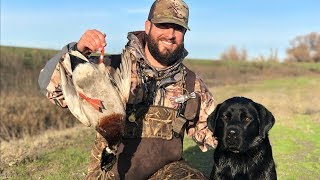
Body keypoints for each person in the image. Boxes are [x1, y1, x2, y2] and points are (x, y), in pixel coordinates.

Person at [38, 0, 217, 179]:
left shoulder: (192, 85)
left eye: (178, 28)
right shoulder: (110, 69)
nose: (171, 34)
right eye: (163, 25)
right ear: (148, 26)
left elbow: (215, 133)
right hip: (112, 172)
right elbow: (53, 90)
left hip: (166, 173)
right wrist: (77, 52)